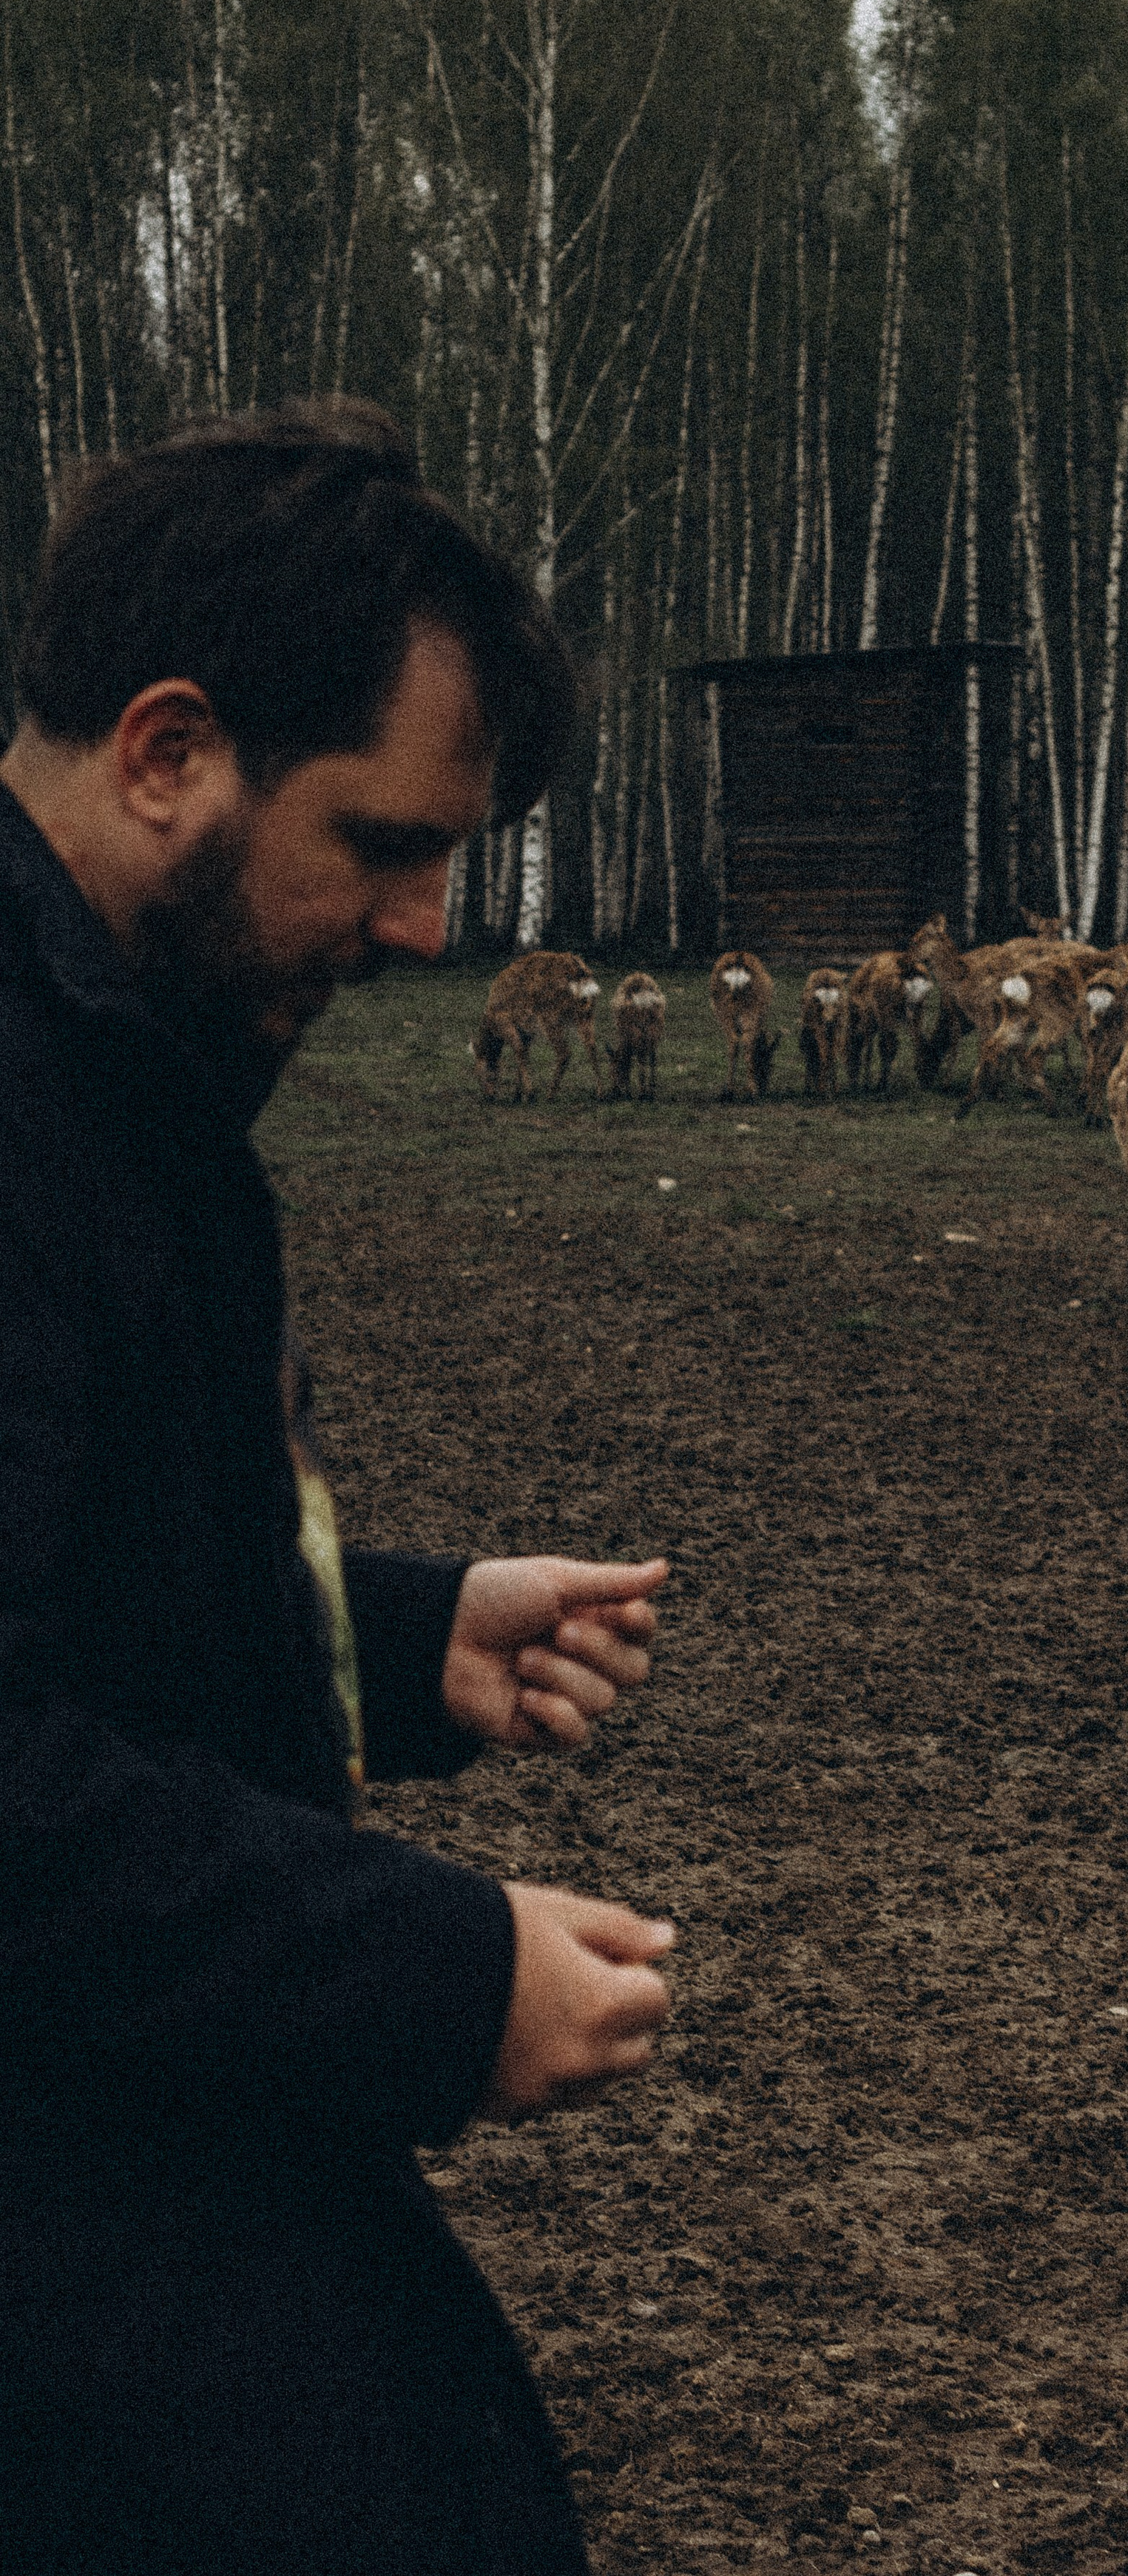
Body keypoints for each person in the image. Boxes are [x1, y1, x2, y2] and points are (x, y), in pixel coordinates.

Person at [0, 402, 675, 2574]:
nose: (422, 929)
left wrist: (385, 1639)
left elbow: (74, 1582)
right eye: (383, 843)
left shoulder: (115, 1063)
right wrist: (431, 1971)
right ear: (170, 748)